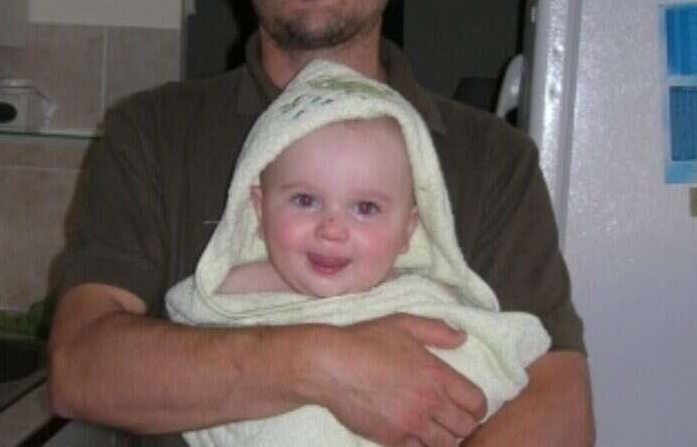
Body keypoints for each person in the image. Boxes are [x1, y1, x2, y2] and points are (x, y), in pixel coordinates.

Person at [48, 0, 595, 445]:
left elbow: (562, 408)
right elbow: (80, 367)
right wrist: (325, 363)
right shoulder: (151, 133)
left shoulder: (495, 159)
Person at [165, 59, 551, 446]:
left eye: (365, 208)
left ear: (407, 231)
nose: (332, 229)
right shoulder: (229, 293)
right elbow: (189, 351)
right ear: (260, 209)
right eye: (304, 200)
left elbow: (491, 363)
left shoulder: (427, 305)